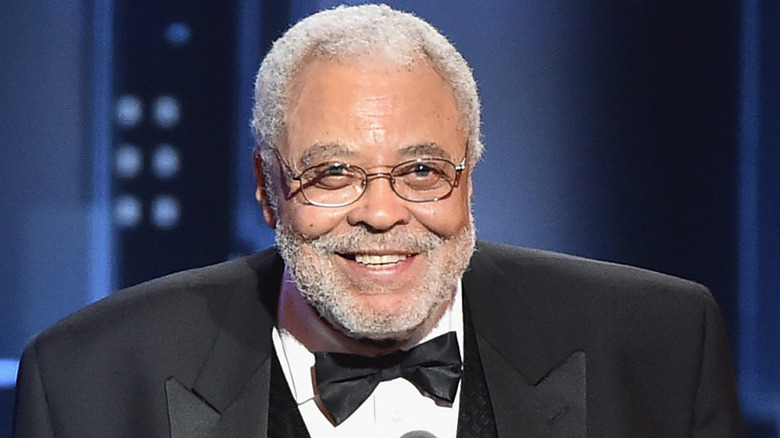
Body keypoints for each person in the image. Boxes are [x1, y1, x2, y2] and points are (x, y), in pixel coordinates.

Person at [13, 4, 743, 437]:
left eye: (421, 171)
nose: (383, 212)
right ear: (268, 189)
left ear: (470, 174)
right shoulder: (91, 384)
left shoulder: (660, 347)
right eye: (333, 174)